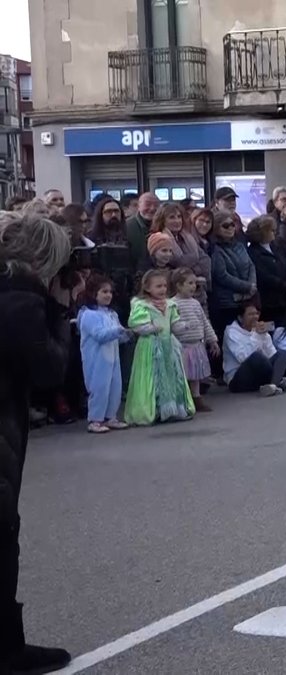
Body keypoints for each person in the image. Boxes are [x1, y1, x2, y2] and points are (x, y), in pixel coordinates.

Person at [0, 212, 75, 673]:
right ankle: (8, 648)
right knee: (3, 535)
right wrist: (60, 313)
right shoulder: (21, 303)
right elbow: (49, 369)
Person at [124, 268, 195, 425]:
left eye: (164, 286)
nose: (162, 289)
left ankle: (172, 410)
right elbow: (137, 326)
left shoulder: (170, 305)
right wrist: (150, 328)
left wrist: (183, 326)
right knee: (153, 377)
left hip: (168, 347)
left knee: (170, 377)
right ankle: (153, 411)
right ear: (147, 288)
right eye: (158, 286)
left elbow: (174, 325)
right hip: (150, 347)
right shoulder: (141, 305)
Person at [78, 274, 133, 433]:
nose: (108, 295)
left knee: (115, 387)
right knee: (99, 388)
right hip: (96, 360)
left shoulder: (112, 314)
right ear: (93, 293)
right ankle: (95, 419)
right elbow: (100, 335)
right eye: (104, 291)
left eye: (110, 292)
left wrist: (125, 335)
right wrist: (118, 330)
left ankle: (110, 417)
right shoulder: (89, 315)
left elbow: (116, 337)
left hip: (112, 358)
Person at [223, 301, 286, 396]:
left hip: (259, 376)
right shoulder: (231, 332)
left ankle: (273, 385)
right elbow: (243, 357)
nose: (255, 317)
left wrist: (264, 336)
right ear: (240, 318)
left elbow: (272, 354)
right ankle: (280, 380)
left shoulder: (258, 330)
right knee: (257, 357)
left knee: (282, 354)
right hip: (238, 379)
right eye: (250, 314)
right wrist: (257, 335)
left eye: (256, 313)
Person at [170, 269, 219, 412]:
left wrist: (212, 340)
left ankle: (197, 398)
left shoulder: (196, 304)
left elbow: (204, 322)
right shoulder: (173, 304)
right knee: (183, 374)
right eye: (190, 283)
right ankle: (183, 399)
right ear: (179, 285)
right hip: (181, 345)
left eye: (195, 283)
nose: (193, 286)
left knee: (195, 375)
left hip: (196, 344)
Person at [208, 210, 257, 345]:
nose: (230, 228)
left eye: (232, 225)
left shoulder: (240, 245)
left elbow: (251, 266)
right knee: (229, 341)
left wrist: (252, 285)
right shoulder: (215, 249)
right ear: (216, 227)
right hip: (227, 303)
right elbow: (222, 275)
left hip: (245, 301)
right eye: (225, 226)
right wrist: (247, 287)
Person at [245, 215, 286, 325]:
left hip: (283, 300)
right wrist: (283, 285)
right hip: (268, 302)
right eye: (271, 230)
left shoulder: (276, 248)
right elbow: (262, 275)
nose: (274, 233)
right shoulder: (253, 252)